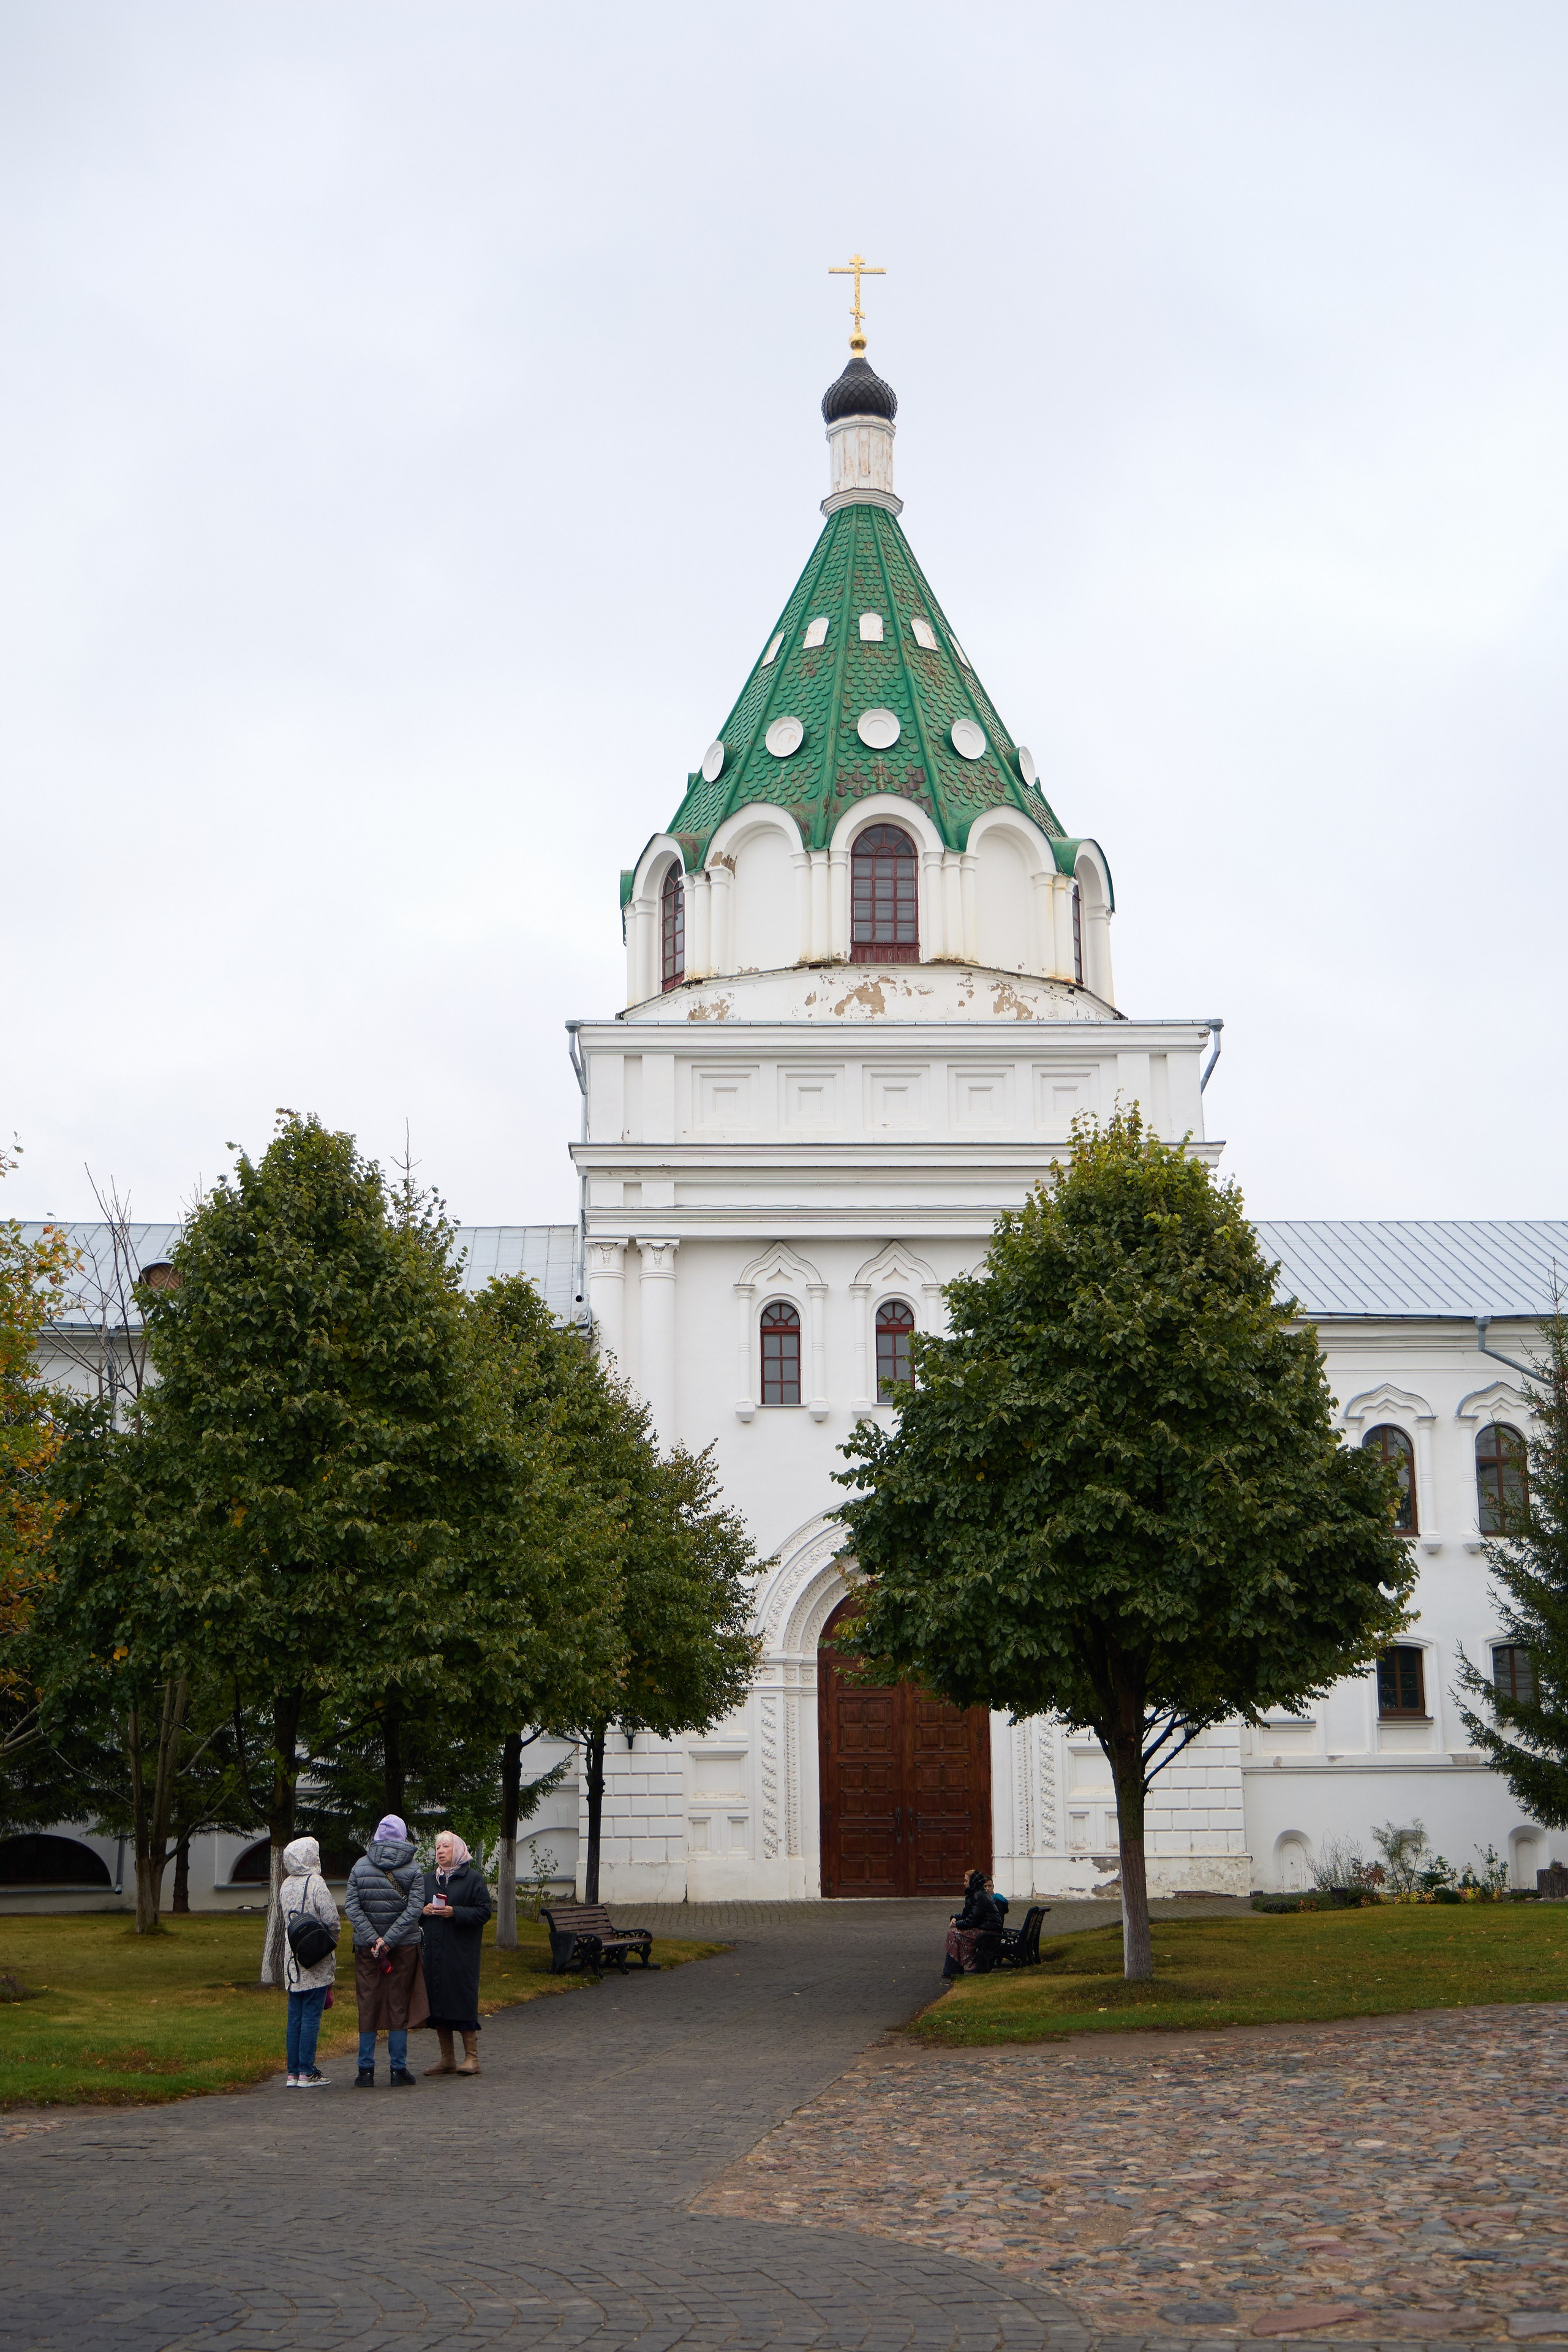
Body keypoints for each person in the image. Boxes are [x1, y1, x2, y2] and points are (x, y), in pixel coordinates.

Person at [344, 1813, 428, 2087]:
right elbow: (415, 1909)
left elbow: (352, 1908)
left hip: (367, 1950)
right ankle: (397, 2070)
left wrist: (373, 1939)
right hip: (402, 1947)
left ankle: (365, 2072)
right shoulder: (413, 1869)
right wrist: (389, 1940)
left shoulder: (359, 1866)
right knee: (398, 2005)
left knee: (368, 2004)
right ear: (402, 1836)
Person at [419, 1830, 492, 2078]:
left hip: (461, 1953)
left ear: (458, 1850)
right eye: (438, 1847)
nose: (440, 1851)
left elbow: (484, 1912)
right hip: (434, 1953)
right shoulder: (428, 1879)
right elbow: (415, 1912)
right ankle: (447, 2058)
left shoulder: (473, 1879)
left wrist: (455, 1913)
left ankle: (472, 2058)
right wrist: (424, 1910)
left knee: (461, 2000)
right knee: (438, 2003)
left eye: (446, 1847)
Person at [279, 1834, 340, 2087]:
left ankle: (293, 2073)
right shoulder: (316, 1882)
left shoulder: (285, 1884)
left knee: (295, 2017)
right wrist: (331, 1940)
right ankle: (307, 2071)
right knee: (311, 2017)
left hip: (292, 1959)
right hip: (315, 1957)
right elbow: (332, 1919)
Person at [943, 1869, 1003, 1979]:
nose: (964, 1883)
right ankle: (953, 1970)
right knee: (955, 1934)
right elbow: (967, 1915)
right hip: (983, 1928)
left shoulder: (979, 1896)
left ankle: (952, 1970)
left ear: (973, 1882)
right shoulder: (974, 1894)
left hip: (989, 1931)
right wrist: (955, 1918)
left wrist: (957, 1925)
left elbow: (972, 1920)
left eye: (966, 1881)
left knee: (954, 1934)